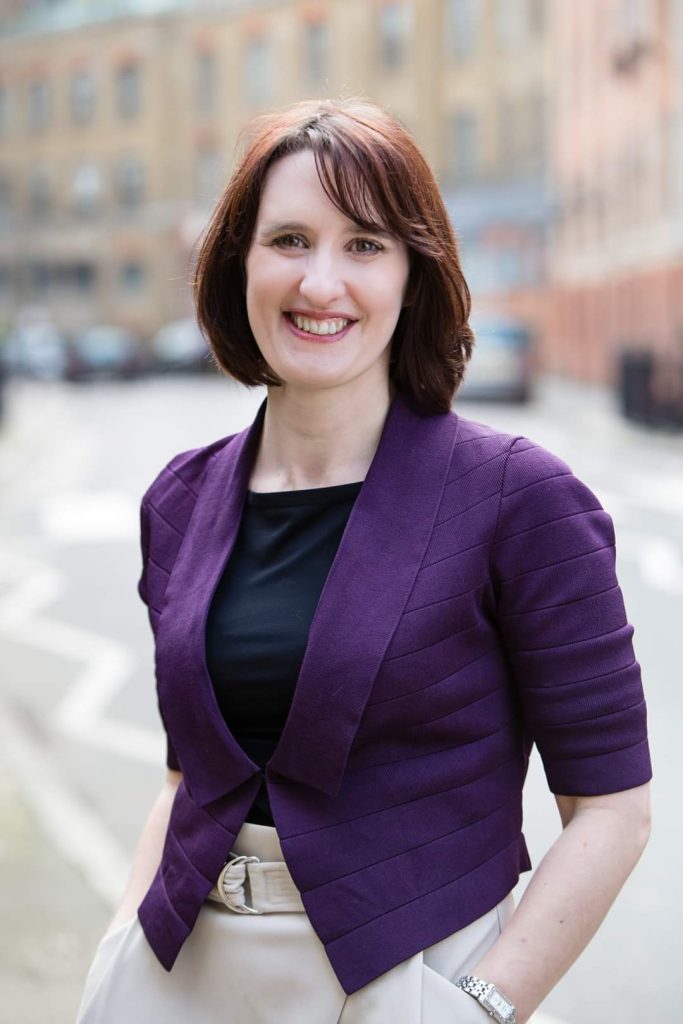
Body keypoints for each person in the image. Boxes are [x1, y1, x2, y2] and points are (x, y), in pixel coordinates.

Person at [75, 98, 651, 1024]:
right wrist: (117, 957)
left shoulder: (521, 501)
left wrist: (480, 1007)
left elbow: (612, 812)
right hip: (177, 979)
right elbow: (189, 779)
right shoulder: (178, 502)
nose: (320, 282)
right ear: (241, 264)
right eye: (290, 240)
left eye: (365, 246)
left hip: (399, 981)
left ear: (414, 276)